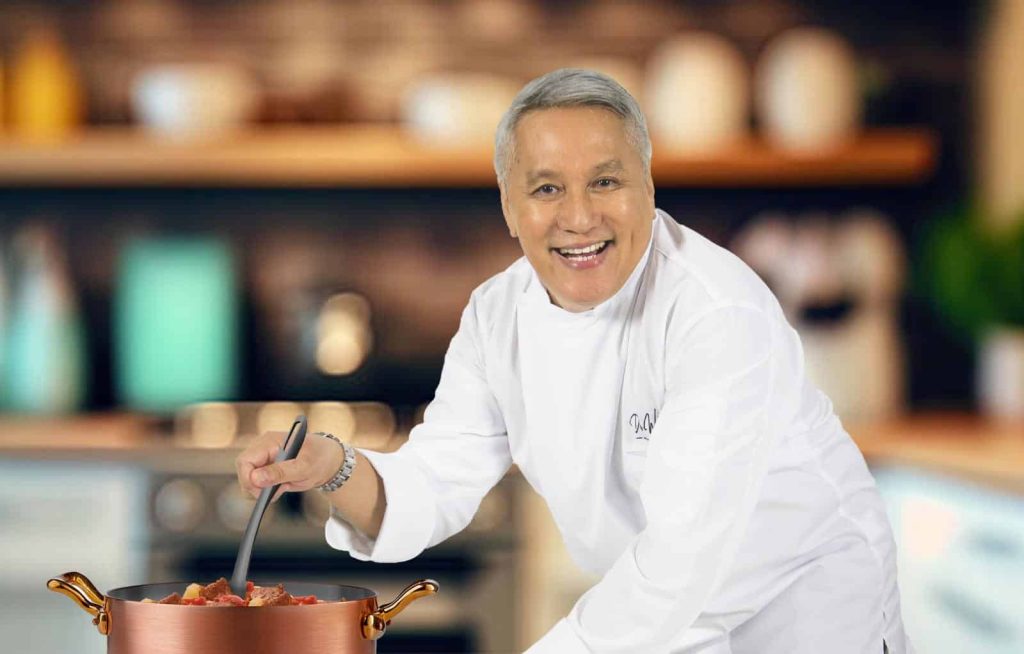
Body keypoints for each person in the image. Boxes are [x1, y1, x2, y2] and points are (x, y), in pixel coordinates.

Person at [236, 69, 914, 654]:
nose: (580, 216)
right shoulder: (498, 316)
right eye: (547, 189)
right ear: (509, 206)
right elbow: (434, 484)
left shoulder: (716, 313)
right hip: (655, 625)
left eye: (606, 181)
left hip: (808, 615)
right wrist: (336, 467)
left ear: (647, 188)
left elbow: (682, 564)